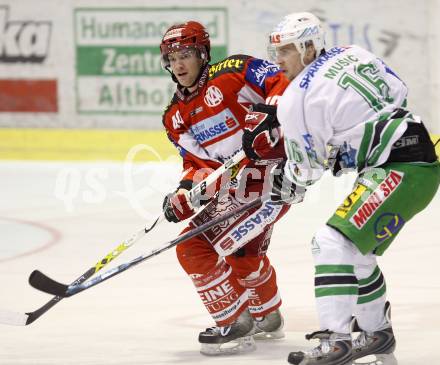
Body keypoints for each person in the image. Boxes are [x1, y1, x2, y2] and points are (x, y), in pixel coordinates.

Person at [242, 11, 439, 365]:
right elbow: (396, 94)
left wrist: (285, 186)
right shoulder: (353, 52)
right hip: (412, 159)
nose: (278, 61)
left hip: (401, 169)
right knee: (355, 252)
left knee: (330, 242)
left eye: (285, 51)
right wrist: (347, 148)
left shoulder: (296, 100)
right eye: (276, 52)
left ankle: (336, 340)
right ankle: (377, 333)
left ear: (307, 47)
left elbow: (306, 171)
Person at [159, 21, 291, 355]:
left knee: (193, 249)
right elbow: (197, 164)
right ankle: (267, 316)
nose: (179, 64)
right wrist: (185, 193)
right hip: (240, 188)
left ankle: (234, 324)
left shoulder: (233, 71)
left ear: (203, 53)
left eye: (186, 54)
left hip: (272, 178)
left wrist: (268, 114)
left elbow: (282, 80)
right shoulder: (175, 115)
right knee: (243, 255)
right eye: (172, 58)